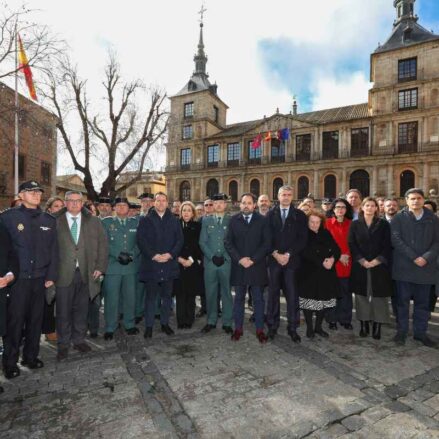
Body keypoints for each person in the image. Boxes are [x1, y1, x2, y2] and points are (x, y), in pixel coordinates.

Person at [0, 181, 58, 379]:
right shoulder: (8, 218)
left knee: (36, 320)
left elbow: (53, 250)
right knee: (15, 322)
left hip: (40, 279)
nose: (35, 194)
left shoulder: (49, 220)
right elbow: (4, 251)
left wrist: (51, 276)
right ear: (20, 195)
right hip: (18, 280)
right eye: (30, 191)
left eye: (38, 191)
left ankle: (31, 357)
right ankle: (9, 362)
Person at [55, 191, 108, 361]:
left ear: (82, 203)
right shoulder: (54, 221)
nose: (75, 204)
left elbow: (103, 245)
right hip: (63, 274)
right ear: (65, 203)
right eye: (71, 201)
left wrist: (100, 267)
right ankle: (63, 344)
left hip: (86, 273)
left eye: (78, 201)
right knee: (63, 311)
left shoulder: (94, 221)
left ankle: (78, 340)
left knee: (81, 310)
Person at [391, 188, 439, 347]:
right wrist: (413, 257)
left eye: (419, 198)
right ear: (406, 200)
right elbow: (396, 240)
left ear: (423, 200)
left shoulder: (433, 218)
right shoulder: (398, 218)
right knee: (402, 303)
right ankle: (402, 332)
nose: (416, 201)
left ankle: (420, 333)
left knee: (423, 304)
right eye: (412, 198)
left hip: (425, 269)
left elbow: (437, 242)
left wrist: (425, 257)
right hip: (404, 267)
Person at [225, 193, 271, 343]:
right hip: (239, 266)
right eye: (244, 203)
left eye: (249, 203)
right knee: (238, 299)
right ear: (240, 204)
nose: (246, 205)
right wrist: (240, 259)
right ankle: (238, 328)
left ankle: (259, 330)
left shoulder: (262, 221)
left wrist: (253, 259)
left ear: (254, 205)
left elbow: (266, 243)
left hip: (256, 266)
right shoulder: (233, 220)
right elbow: (228, 243)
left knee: (258, 299)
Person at [137, 192, 183, 338]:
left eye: (164, 200)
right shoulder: (146, 220)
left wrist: (170, 255)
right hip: (152, 265)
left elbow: (179, 241)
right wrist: (154, 255)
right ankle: (149, 326)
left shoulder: (174, 220)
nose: (161, 203)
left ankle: (164, 324)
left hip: (169, 264)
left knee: (167, 297)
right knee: (150, 297)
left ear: (167, 203)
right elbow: (141, 241)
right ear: (154, 203)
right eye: (158, 200)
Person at [266, 185, 308, 342]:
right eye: (283, 194)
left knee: (292, 295)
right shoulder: (270, 215)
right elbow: (266, 238)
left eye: (289, 194)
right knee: (273, 295)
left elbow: (302, 239)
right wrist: (276, 254)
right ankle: (272, 325)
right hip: (274, 261)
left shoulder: (299, 215)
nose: (286, 197)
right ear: (278, 195)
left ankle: (292, 327)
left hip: (292, 261)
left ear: (292, 196)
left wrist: (289, 254)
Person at [349, 197, 393, 340]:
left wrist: (377, 260)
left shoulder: (384, 224)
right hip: (360, 265)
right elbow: (352, 244)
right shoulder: (355, 224)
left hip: (379, 266)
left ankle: (377, 325)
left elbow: (387, 245)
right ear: (362, 207)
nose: (369, 208)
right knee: (361, 296)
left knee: (379, 296)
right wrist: (361, 260)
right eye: (367, 205)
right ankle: (364, 323)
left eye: (372, 205)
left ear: (376, 208)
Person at [102, 198, 140, 340]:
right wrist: (117, 254)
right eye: (118, 205)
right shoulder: (106, 222)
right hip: (113, 266)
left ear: (129, 208)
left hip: (130, 266)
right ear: (114, 208)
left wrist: (131, 255)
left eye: (124, 205)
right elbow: (103, 243)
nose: (122, 207)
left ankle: (129, 324)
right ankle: (110, 326)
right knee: (112, 298)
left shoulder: (135, 222)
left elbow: (140, 243)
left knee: (130, 297)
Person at [298, 210, 340, 339]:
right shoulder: (303, 234)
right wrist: (322, 262)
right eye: (312, 222)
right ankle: (310, 328)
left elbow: (336, 249)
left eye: (317, 222)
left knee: (323, 301)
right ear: (307, 222)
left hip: (326, 274)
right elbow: (304, 252)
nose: (315, 225)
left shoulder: (326, 233)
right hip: (308, 273)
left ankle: (318, 327)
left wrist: (333, 259)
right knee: (309, 302)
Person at [199, 193, 233, 333]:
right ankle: (211, 320)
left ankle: (227, 322)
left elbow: (233, 241)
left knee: (226, 292)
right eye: (216, 202)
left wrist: (224, 256)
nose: (218, 205)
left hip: (226, 262)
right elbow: (202, 241)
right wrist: (212, 256)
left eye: (221, 202)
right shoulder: (206, 221)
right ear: (213, 205)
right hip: (210, 263)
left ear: (225, 205)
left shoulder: (231, 220)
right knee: (211, 292)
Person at [325, 198, 353, 330]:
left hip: (347, 264)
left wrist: (346, 255)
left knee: (346, 293)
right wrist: (339, 256)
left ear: (346, 210)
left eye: (343, 207)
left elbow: (355, 243)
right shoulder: (327, 224)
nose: (340, 210)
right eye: (337, 207)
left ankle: (345, 319)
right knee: (331, 294)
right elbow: (324, 244)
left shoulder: (352, 224)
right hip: (332, 264)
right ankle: (331, 319)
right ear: (333, 209)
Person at [175, 201, 203, 329]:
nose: (186, 212)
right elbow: (172, 245)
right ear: (180, 212)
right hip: (178, 263)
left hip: (192, 264)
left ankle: (189, 319)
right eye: (183, 210)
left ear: (193, 213)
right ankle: (181, 320)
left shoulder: (198, 226)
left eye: (188, 210)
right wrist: (180, 259)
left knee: (191, 294)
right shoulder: (175, 226)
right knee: (180, 293)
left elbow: (199, 246)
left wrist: (191, 260)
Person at [42, 197, 65, 343]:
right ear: (49, 208)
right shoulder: (44, 222)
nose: (59, 208)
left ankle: (61, 328)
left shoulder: (68, 222)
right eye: (56, 206)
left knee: (62, 301)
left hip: (65, 266)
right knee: (49, 300)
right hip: (49, 266)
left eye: (62, 206)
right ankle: (49, 330)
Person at [0, 221, 19, 389]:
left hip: (3, 289)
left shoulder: (2, 226)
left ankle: (7, 366)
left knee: (5, 331)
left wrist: (9, 275)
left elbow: (12, 254)